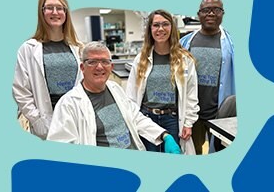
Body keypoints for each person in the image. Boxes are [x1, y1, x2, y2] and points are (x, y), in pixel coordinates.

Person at [47, 42, 181, 154]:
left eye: (104, 62)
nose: (99, 67)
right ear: (82, 67)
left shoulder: (115, 89)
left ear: (111, 67)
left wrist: (165, 135)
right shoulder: (69, 104)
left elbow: (136, 117)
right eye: (92, 62)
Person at [126, 9, 199, 154]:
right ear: (150, 29)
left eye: (165, 24)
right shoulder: (140, 59)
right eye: (156, 25)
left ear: (172, 28)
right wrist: (132, 121)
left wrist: (188, 123)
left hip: (172, 119)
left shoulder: (185, 59)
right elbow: (130, 96)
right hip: (146, 118)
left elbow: (191, 93)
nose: (160, 29)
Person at [12, 0, 83, 140]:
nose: (55, 12)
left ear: (66, 12)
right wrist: (37, 120)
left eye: (60, 8)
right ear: (42, 12)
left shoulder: (77, 47)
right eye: (49, 7)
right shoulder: (28, 49)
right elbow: (20, 90)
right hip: (47, 117)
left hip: (75, 115)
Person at [179, 0, 235, 154]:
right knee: (192, 153)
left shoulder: (232, 44)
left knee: (219, 151)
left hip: (219, 114)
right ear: (198, 14)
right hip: (192, 114)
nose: (210, 13)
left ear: (222, 14)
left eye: (216, 10)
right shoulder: (185, 42)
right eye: (206, 10)